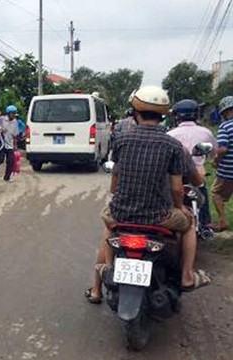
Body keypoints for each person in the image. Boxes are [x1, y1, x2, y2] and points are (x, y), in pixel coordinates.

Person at [85, 86, 211, 304]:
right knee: (189, 224)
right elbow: (176, 188)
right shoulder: (172, 144)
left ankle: (97, 288)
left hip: (122, 214)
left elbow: (114, 186)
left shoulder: (122, 140)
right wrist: (179, 207)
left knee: (109, 225)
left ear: (135, 112)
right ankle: (187, 276)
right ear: (163, 115)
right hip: (160, 216)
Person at [167, 99, 217, 230]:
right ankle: (205, 225)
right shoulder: (206, 132)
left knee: (170, 198)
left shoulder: (170, 134)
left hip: (175, 174)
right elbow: (214, 153)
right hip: (197, 173)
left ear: (176, 116)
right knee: (202, 193)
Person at [211, 96, 233, 232]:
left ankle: (223, 221)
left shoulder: (225, 126)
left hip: (228, 171)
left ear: (225, 112)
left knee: (216, 193)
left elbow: (223, 148)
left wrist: (216, 161)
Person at [0, 105, 20, 182]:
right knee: (0, 159)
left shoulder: (15, 122)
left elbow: (15, 135)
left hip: (9, 144)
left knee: (11, 160)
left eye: (15, 113)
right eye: (12, 113)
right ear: (8, 113)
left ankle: (7, 177)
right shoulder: (1, 119)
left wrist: (15, 145)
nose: (14, 115)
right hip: (1, 142)